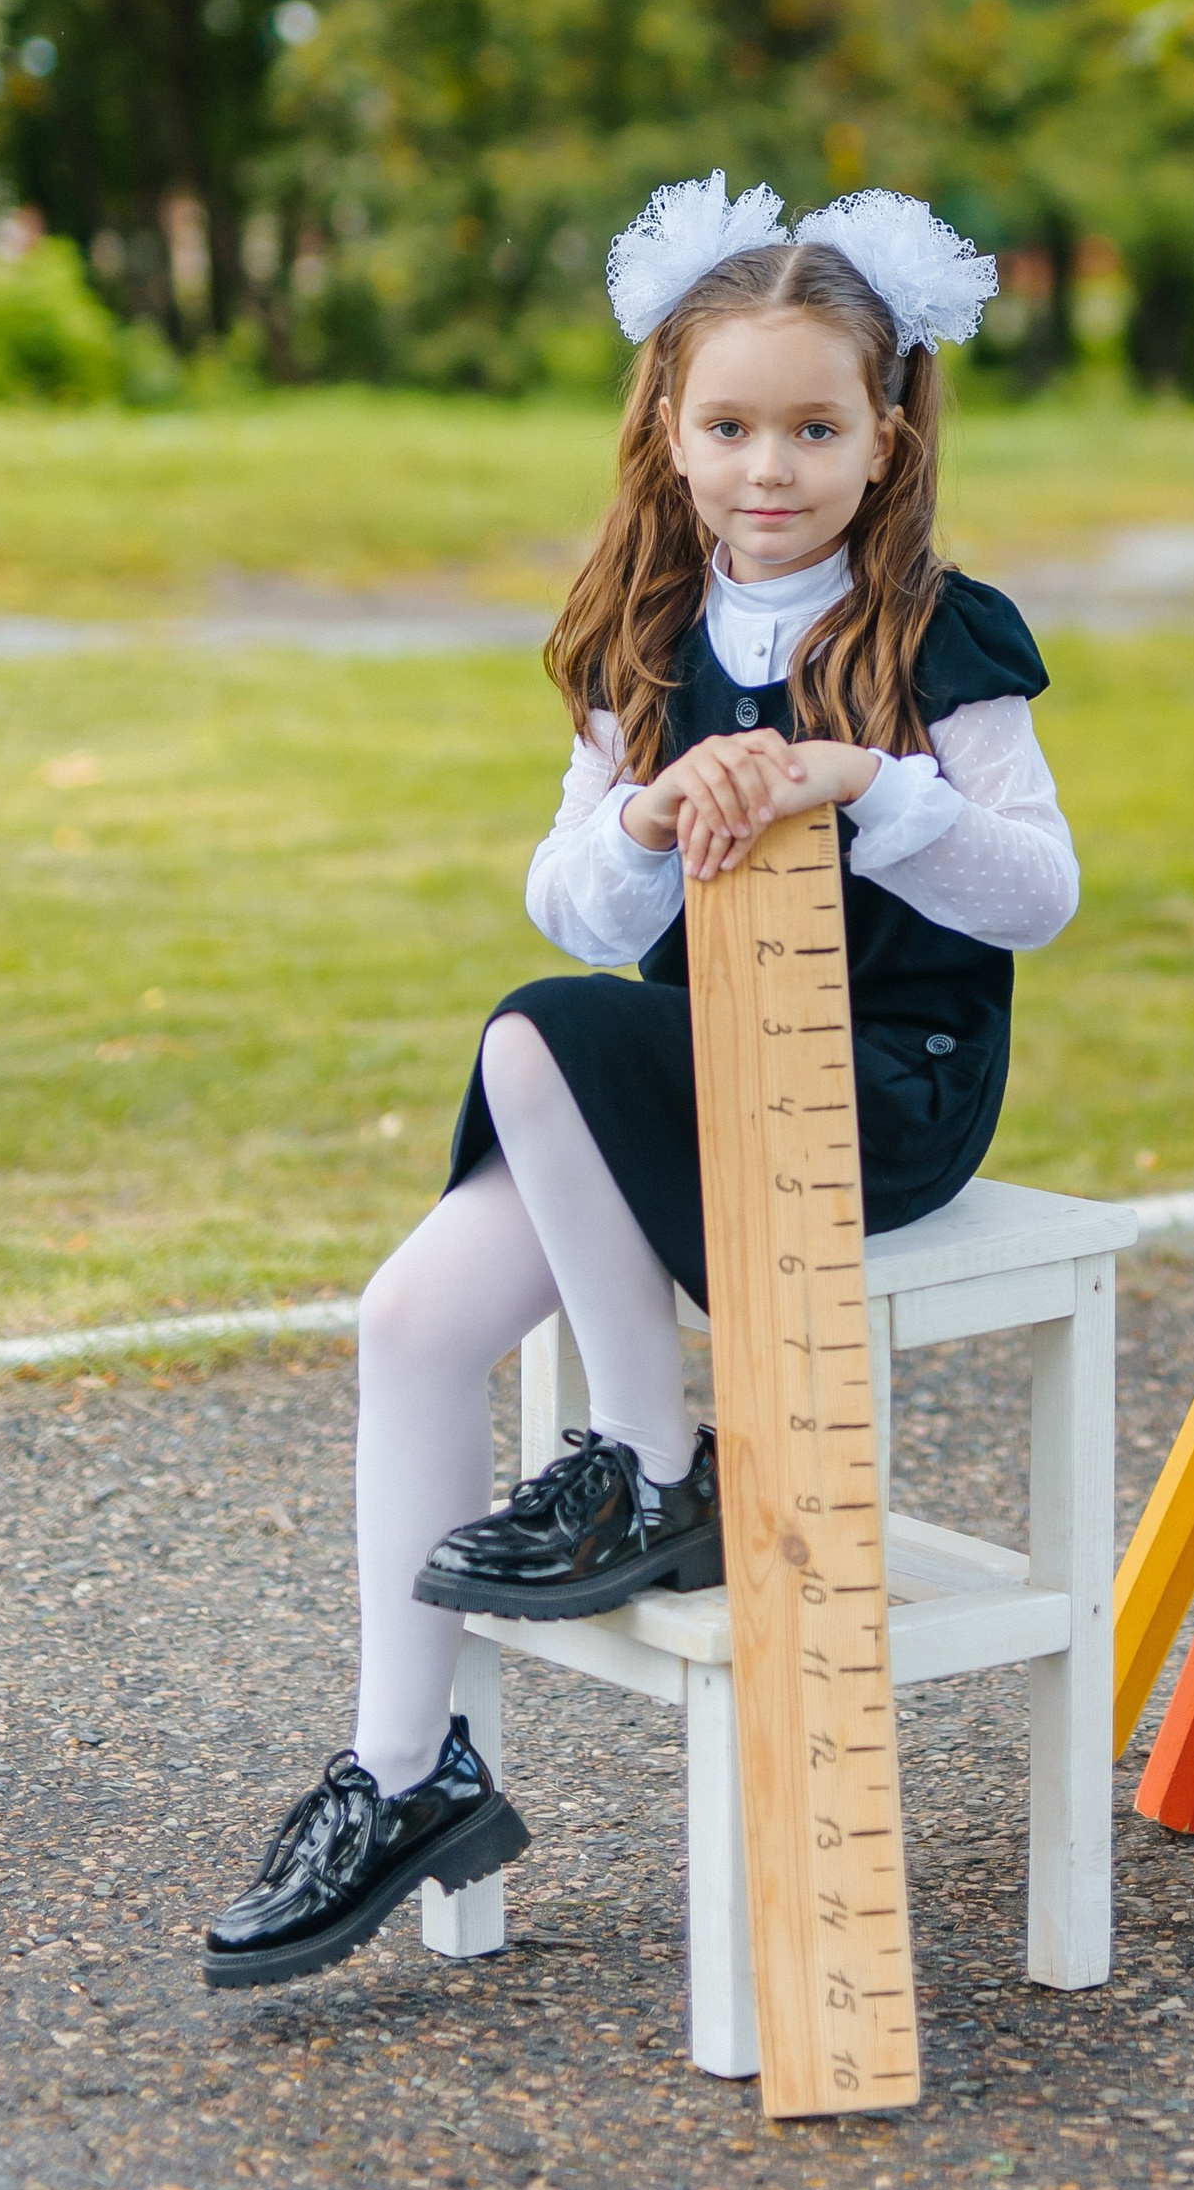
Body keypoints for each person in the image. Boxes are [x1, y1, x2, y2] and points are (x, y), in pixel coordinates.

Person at [202, 177, 1079, 1987]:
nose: (773, 465)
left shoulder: (941, 631)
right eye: (733, 425)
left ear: (887, 433)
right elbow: (573, 904)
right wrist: (642, 811)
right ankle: (401, 1768)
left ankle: (649, 1459)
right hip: (680, 1078)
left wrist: (866, 785)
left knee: (534, 1031)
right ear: (670, 433)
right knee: (411, 1319)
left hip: (879, 1085)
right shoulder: (643, 628)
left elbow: (1042, 895)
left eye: (816, 427)